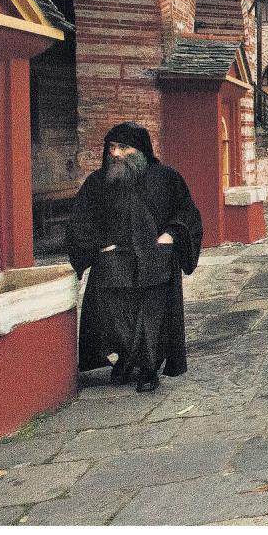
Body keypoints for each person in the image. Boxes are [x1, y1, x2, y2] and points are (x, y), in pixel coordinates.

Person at [65, 122, 203, 392]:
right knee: (115, 315)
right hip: (114, 261)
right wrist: (98, 246)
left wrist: (171, 235)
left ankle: (149, 368)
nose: (115, 154)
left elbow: (187, 213)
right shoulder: (98, 182)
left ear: (140, 150)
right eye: (112, 147)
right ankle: (126, 359)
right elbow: (81, 219)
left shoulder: (166, 178)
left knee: (151, 317)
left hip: (155, 259)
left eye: (123, 148)